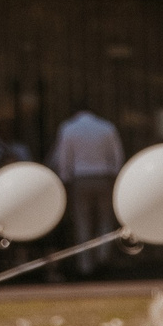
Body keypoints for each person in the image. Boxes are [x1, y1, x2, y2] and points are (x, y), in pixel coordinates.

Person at [48, 106, 124, 275]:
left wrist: (64, 179)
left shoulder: (68, 128)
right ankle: (103, 255)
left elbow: (63, 157)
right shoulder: (106, 127)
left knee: (82, 221)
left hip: (80, 178)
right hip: (103, 176)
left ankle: (86, 265)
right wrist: (115, 176)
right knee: (105, 219)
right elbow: (117, 155)